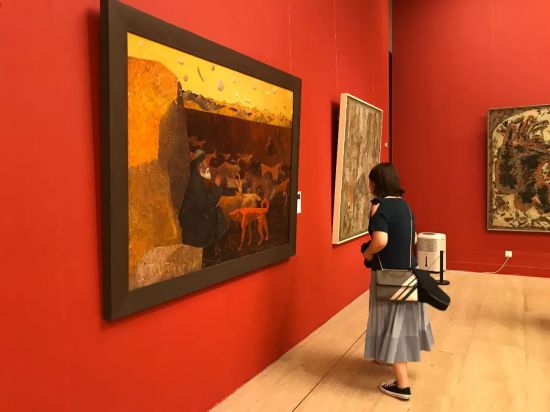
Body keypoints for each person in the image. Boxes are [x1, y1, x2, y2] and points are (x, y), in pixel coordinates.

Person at [362, 163, 434, 401]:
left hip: (389, 277)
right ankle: (384, 356)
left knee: (392, 323)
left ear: (376, 183)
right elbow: (413, 238)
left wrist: (368, 254)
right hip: (410, 273)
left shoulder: (378, 206)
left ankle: (402, 386)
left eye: (370, 181)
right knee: (399, 321)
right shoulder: (405, 206)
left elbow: (380, 240)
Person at [178, 150, 227, 258]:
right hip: (192, 229)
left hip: (195, 222)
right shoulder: (196, 183)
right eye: (204, 163)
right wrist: (216, 186)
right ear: (198, 166)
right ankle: (210, 251)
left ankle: (213, 247)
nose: (207, 167)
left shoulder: (198, 179)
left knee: (217, 212)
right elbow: (206, 206)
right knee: (217, 214)